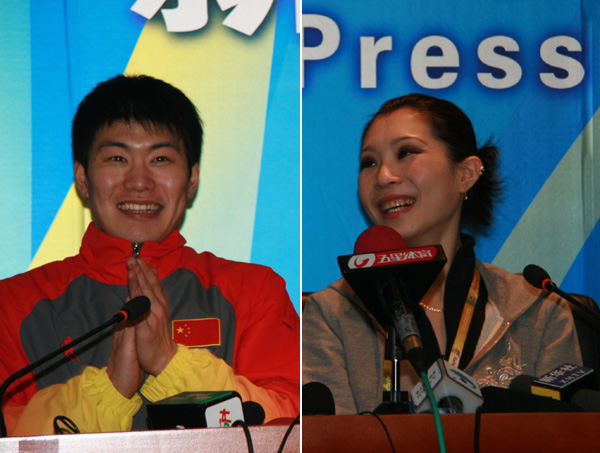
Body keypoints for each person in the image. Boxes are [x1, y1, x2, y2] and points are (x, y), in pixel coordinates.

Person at [0, 74, 300, 435]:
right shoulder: (13, 304)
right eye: (117, 158)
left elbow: (290, 420)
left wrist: (170, 364)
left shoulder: (253, 291)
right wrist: (108, 391)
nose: (139, 182)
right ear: (82, 178)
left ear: (192, 179)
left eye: (160, 158)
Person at [302, 93, 582, 415]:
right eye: (370, 162)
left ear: (465, 174)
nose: (383, 177)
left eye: (406, 152)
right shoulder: (333, 313)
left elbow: (565, 438)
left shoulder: (540, 309)